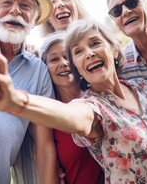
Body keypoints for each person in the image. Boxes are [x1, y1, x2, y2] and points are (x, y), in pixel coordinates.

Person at [0, 19, 147, 183]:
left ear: (114, 50)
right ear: (78, 67)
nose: (89, 53)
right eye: (78, 51)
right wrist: (16, 101)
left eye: (95, 43)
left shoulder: (143, 87)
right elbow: (72, 115)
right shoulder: (92, 107)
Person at [0, 0, 59, 184]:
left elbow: (45, 147)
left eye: (25, 6)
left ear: (33, 20)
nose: (15, 10)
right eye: (6, 3)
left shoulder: (39, 71)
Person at [39, 31, 104, 184]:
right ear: (45, 69)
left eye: (67, 56)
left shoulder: (99, 96)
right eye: (54, 59)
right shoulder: (48, 116)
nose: (63, 63)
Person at [105, 0, 147, 91]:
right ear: (116, 23)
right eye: (116, 11)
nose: (125, 11)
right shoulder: (122, 66)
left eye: (132, 2)